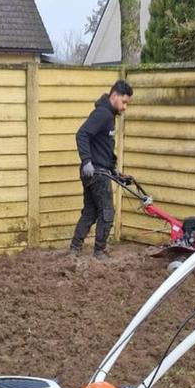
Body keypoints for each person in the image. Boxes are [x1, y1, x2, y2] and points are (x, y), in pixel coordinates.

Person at [69, 79, 133, 260]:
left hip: (97, 170)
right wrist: (87, 161)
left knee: (90, 211)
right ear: (114, 96)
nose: (125, 107)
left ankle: (74, 249)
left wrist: (114, 170)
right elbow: (82, 134)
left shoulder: (108, 115)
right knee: (107, 212)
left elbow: (104, 147)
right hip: (95, 172)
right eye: (124, 102)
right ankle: (99, 252)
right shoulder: (103, 114)